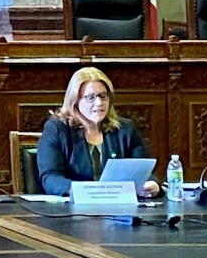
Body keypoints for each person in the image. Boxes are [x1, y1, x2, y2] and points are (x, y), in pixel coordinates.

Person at [37, 67, 160, 198]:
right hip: (73, 209)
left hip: (118, 207)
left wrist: (152, 184)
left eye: (103, 96)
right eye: (90, 98)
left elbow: (143, 170)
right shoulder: (57, 128)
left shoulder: (125, 128)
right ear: (75, 101)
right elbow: (50, 178)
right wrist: (84, 192)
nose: (99, 103)